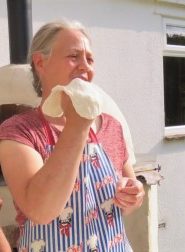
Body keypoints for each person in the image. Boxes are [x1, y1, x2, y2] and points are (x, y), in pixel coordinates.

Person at [0, 20, 144, 251]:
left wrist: (133, 194)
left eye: (90, 59)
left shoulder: (111, 126)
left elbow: (128, 200)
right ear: (40, 62)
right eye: (74, 56)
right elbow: (40, 210)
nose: (85, 66)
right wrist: (77, 126)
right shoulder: (19, 131)